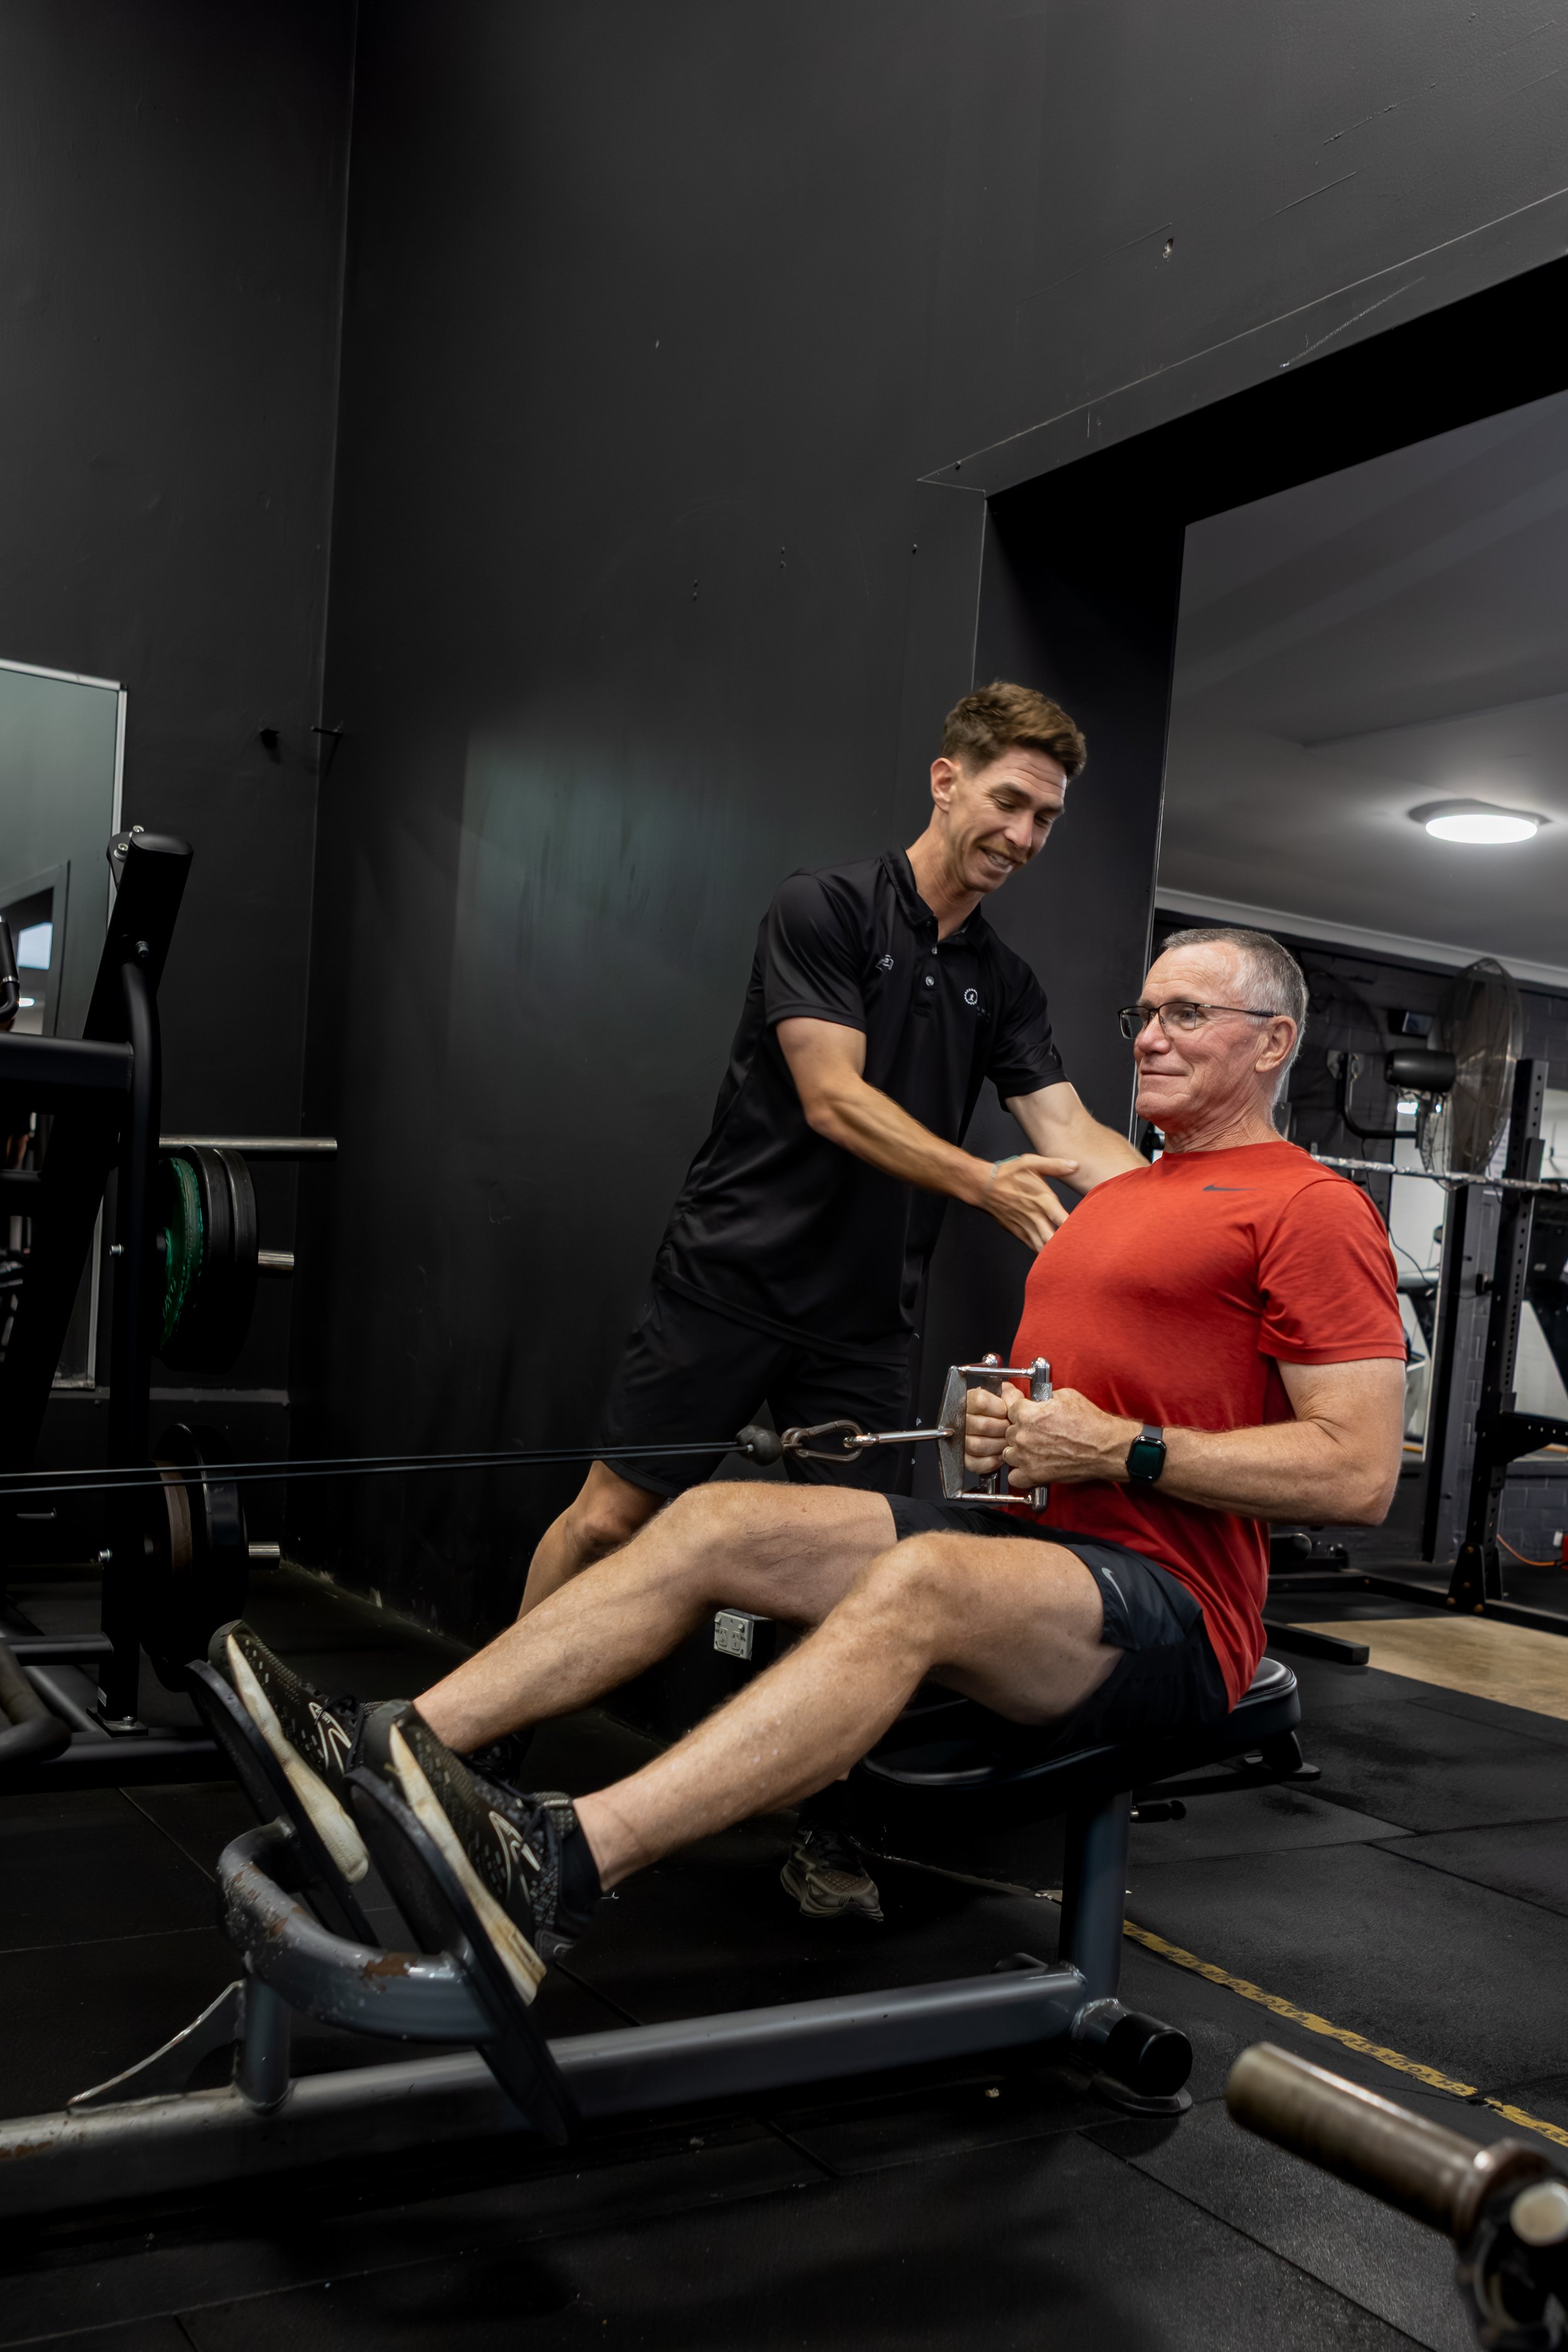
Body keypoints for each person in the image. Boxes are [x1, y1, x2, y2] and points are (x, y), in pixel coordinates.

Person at [213, 924, 1407, 2005]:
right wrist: (1011, 1431)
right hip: (1052, 1552)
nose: (1149, 1035)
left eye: (1185, 1014)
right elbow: (1098, 1403)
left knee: (922, 1579)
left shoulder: (1311, 1209)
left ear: (1274, 1043)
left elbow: (1357, 1474)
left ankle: (561, 1864)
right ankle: (390, 1743)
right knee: (717, 1518)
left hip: (1176, 1610)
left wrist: (1127, 1446)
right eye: (1141, 1013)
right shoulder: (1119, 1197)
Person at [529, 679, 1145, 1918]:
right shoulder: (821, 909)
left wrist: (1216, 1211)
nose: (1023, 837)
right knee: (605, 1524)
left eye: (1045, 821)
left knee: (857, 1578)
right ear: (946, 779)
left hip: (865, 1321)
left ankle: (826, 1825)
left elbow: (1069, 1128)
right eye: (1009, 803)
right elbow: (833, 1099)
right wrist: (980, 1183)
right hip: (732, 1279)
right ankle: (477, 1750)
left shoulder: (1002, 982)